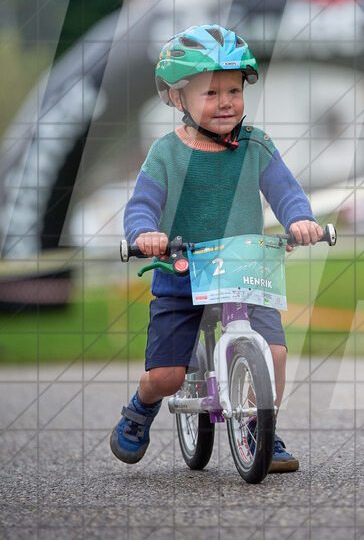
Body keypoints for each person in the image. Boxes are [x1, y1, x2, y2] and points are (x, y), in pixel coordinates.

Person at [110, 24, 323, 472]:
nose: (225, 101)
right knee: (167, 376)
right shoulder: (165, 154)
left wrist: (300, 220)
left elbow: (285, 190)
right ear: (176, 98)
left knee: (275, 352)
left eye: (233, 89)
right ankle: (140, 407)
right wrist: (145, 234)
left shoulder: (256, 145)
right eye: (211, 92)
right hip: (181, 272)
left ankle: (261, 427)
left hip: (245, 270)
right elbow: (142, 206)